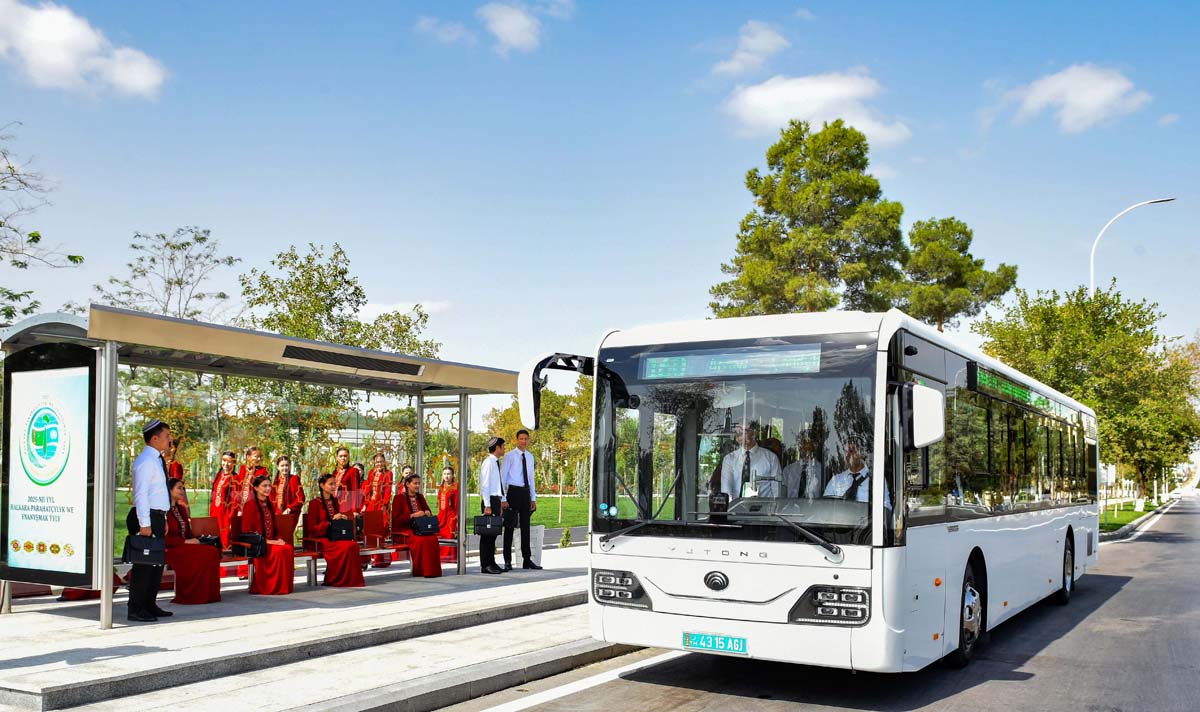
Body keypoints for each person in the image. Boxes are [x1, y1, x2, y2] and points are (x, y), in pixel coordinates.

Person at [126, 418, 173, 622]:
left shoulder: (156, 459)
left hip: (157, 516)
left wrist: (163, 517)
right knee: (143, 566)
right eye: (166, 436)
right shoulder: (146, 461)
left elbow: (158, 493)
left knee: (155, 565)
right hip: (146, 517)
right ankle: (136, 608)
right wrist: (144, 523)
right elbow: (141, 494)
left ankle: (149, 604)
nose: (169, 440)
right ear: (154, 439)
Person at [164, 478, 222, 605]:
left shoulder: (181, 509)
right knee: (205, 553)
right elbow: (166, 538)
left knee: (212, 551)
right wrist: (186, 542)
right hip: (172, 547)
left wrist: (195, 540)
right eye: (179, 488)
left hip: (184, 545)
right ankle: (192, 594)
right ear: (169, 490)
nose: (182, 491)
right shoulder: (164, 511)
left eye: (183, 488)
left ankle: (209, 594)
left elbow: (188, 533)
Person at [304, 474, 366, 587]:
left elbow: (336, 522)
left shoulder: (334, 501)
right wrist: (330, 522)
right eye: (330, 484)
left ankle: (349, 579)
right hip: (320, 539)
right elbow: (312, 529)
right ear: (322, 485)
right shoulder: (314, 503)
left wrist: (342, 517)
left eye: (334, 484)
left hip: (335, 537)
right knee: (346, 547)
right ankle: (335, 579)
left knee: (353, 545)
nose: (333, 487)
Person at [240, 475, 295, 595]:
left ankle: (283, 586)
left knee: (288, 548)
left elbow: (275, 528)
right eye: (264, 486)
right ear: (256, 488)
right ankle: (270, 586)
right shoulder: (250, 505)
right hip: (257, 544)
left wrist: (279, 539)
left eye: (269, 486)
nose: (268, 488)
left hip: (270, 542)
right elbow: (247, 531)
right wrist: (269, 542)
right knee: (279, 550)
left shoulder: (270, 505)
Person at [500, 429, 542, 570]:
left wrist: (533, 497)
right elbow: (502, 477)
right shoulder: (509, 456)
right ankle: (507, 561)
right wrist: (503, 498)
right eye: (521, 438)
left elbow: (531, 478)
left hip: (525, 493)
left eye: (526, 439)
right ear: (516, 440)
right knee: (509, 527)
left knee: (525, 527)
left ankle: (527, 560)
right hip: (513, 492)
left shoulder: (530, 457)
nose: (524, 441)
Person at [391, 472, 441, 578]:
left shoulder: (420, 497)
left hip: (420, 529)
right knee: (421, 541)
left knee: (432, 539)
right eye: (415, 483)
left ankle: (433, 571)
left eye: (419, 483)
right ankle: (421, 571)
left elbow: (428, 511)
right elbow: (397, 519)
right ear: (407, 484)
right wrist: (412, 515)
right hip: (404, 530)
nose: (418, 486)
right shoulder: (399, 498)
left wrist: (427, 513)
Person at [719, 422, 783, 499]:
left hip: (764, 506)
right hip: (736, 505)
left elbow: (777, 493)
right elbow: (726, 491)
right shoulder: (729, 459)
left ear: (754, 433)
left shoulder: (771, 458)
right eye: (737, 432)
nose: (739, 435)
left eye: (743, 431)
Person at [822, 442, 891, 508]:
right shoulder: (836, 480)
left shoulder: (877, 479)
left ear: (861, 453)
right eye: (845, 452)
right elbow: (826, 506)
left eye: (851, 451)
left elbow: (885, 508)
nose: (847, 455)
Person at [477, 437, 506, 575]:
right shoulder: (488, 463)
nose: (504, 449)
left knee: (493, 534)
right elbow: (485, 485)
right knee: (487, 534)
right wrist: (487, 505)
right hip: (489, 501)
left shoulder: (495, 462)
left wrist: (500, 501)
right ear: (497, 448)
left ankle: (492, 562)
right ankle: (485, 565)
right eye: (503, 446)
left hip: (495, 500)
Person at [362, 453, 394, 567]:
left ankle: (381, 560)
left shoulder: (388, 473)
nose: (379, 464)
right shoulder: (372, 472)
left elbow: (388, 490)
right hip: (371, 504)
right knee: (370, 531)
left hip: (381, 505)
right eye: (377, 462)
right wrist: (365, 504)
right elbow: (368, 489)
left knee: (381, 530)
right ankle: (369, 558)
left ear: (384, 462)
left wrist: (384, 504)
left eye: (381, 461)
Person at [210, 450, 238, 548]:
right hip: (215, 513)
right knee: (213, 541)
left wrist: (232, 520)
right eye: (224, 460)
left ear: (234, 463)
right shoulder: (219, 475)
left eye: (229, 461)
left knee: (224, 544)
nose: (226, 464)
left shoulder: (235, 478)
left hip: (226, 515)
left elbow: (235, 502)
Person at [234, 446, 268, 516]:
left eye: (260, 457)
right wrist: (239, 508)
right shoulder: (242, 469)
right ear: (248, 457)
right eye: (256, 456)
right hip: (241, 507)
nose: (259, 459)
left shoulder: (263, 471)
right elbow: (239, 488)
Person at [436, 465, 459, 562]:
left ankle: (450, 558)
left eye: (449, 474)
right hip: (441, 516)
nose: (446, 476)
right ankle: (440, 557)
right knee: (440, 535)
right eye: (445, 474)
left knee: (450, 536)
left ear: (452, 475)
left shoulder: (456, 487)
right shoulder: (441, 487)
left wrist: (457, 519)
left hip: (451, 516)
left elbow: (457, 504)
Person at [330, 447, 361, 514]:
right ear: (337, 458)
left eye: (345, 456)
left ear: (348, 457)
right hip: (335, 507)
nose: (343, 458)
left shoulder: (353, 471)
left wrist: (354, 510)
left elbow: (356, 491)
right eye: (340, 456)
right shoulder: (335, 473)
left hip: (347, 508)